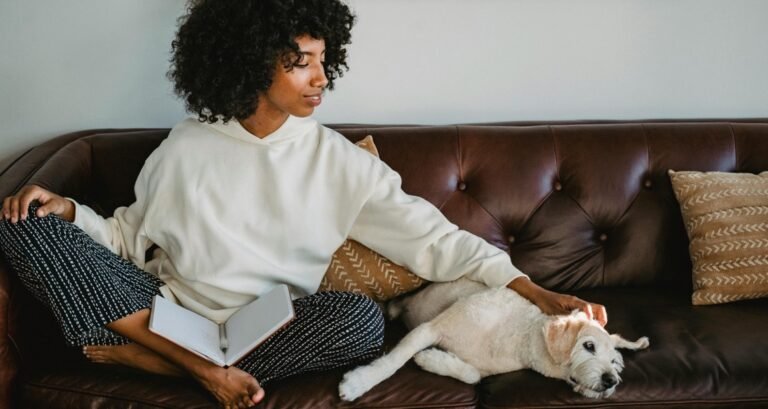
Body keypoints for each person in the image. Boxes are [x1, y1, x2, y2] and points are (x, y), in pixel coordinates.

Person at [0, 0, 607, 407]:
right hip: (164, 313)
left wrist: (535, 290)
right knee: (23, 225)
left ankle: (161, 362)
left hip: (263, 328)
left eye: (322, 61)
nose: (321, 79)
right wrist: (69, 213)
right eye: (300, 64)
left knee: (363, 323)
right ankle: (190, 365)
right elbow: (130, 239)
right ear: (248, 65)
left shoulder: (341, 162)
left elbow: (437, 240)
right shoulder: (187, 145)